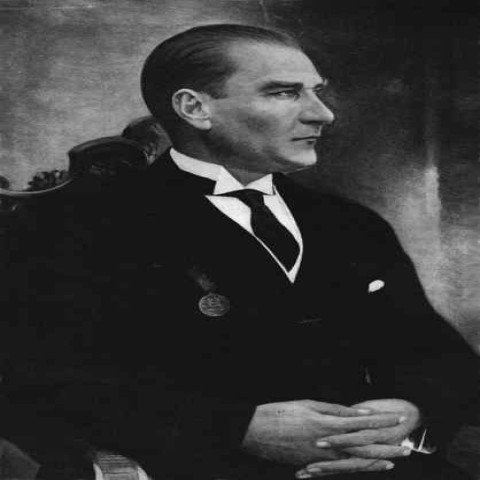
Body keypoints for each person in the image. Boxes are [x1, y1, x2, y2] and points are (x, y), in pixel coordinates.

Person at [1, 24, 478, 480]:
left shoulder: (351, 224)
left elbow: (439, 358)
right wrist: (236, 429)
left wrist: (405, 416)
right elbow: (35, 383)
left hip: (381, 467)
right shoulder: (78, 224)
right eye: (284, 92)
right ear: (194, 108)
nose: (323, 114)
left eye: (315, 91)